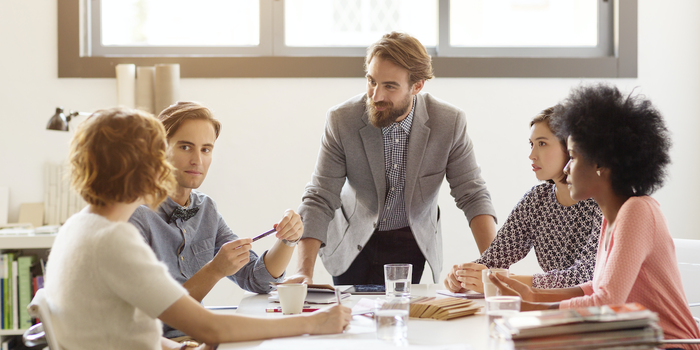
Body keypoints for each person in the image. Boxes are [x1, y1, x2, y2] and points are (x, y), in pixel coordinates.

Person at [44, 107, 351, 350]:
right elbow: (209, 328)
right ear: (151, 165)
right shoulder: (115, 237)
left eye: (206, 149)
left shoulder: (79, 226)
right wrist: (314, 323)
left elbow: (118, 325)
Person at [490, 84, 700, 348]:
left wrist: (533, 307)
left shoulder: (637, 211)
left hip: (671, 345)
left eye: (574, 157)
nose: (566, 168)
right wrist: (533, 295)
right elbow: (595, 288)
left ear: (600, 164)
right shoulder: (611, 217)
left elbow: (605, 303)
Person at [288, 32, 497, 286]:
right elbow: (320, 197)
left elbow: (472, 194)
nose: (376, 96)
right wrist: (303, 272)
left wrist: (493, 268)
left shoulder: (449, 123)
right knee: (352, 322)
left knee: (405, 321)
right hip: (352, 243)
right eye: (371, 81)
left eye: (390, 86)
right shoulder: (342, 120)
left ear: (417, 86)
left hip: (411, 245)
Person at [129, 101, 304, 340]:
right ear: (159, 149)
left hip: (202, 338)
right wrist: (214, 271)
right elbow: (147, 316)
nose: (197, 161)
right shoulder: (135, 217)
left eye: (206, 149)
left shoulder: (206, 209)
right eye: (185, 147)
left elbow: (257, 279)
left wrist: (288, 240)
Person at [444, 107, 602, 293]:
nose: (532, 155)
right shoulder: (536, 200)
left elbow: (586, 275)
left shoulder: (600, 201)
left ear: (570, 148)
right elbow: (492, 260)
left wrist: (508, 281)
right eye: (531, 144)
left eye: (542, 144)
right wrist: (463, 275)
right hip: (550, 308)